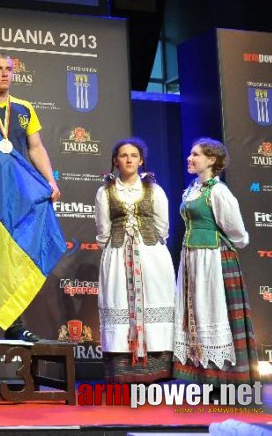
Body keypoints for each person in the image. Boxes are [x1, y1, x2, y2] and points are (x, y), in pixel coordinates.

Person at [0, 52, 60, 342]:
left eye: (8, 69)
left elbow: (36, 147)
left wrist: (50, 180)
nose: (4, 74)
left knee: (15, 259)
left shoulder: (24, 109)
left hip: (18, 195)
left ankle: (14, 323)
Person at [173, 138, 258, 388]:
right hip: (191, 259)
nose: (190, 158)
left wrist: (221, 247)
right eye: (190, 153)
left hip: (213, 259)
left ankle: (224, 380)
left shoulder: (218, 191)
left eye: (196, 154)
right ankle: (200, 375)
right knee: (195, 312)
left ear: (211, 160)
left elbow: (238, 232)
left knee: (213, 309)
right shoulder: (191, 190)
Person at [94, 138, 175, 383]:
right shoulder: (105, 191)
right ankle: (123, 371)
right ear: (115, 161)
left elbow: (163, 226)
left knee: (154, 299)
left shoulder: (154, 189)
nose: (128, 159)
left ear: (141, 161)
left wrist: (145, 243)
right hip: (118, 254)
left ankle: (157, 367)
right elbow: (103, 229)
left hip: (151, 256)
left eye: (133, 155)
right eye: (123, 155)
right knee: (119, 299)